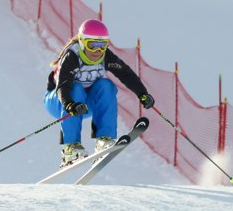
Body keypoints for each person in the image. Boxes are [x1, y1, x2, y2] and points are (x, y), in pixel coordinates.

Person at [44, 19, 155, 167]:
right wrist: (70, 104)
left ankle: (104, 139)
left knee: (106, 85)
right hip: (59, 101)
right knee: (75, 88)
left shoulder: (105, 56)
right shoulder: (72, 56)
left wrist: (142, 93)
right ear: (83, 42)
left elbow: (126, 74)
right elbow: (63, 86)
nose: (98, 51)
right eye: (93, 45)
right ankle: (70, 147)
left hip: (84, 104)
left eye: (102, 46)